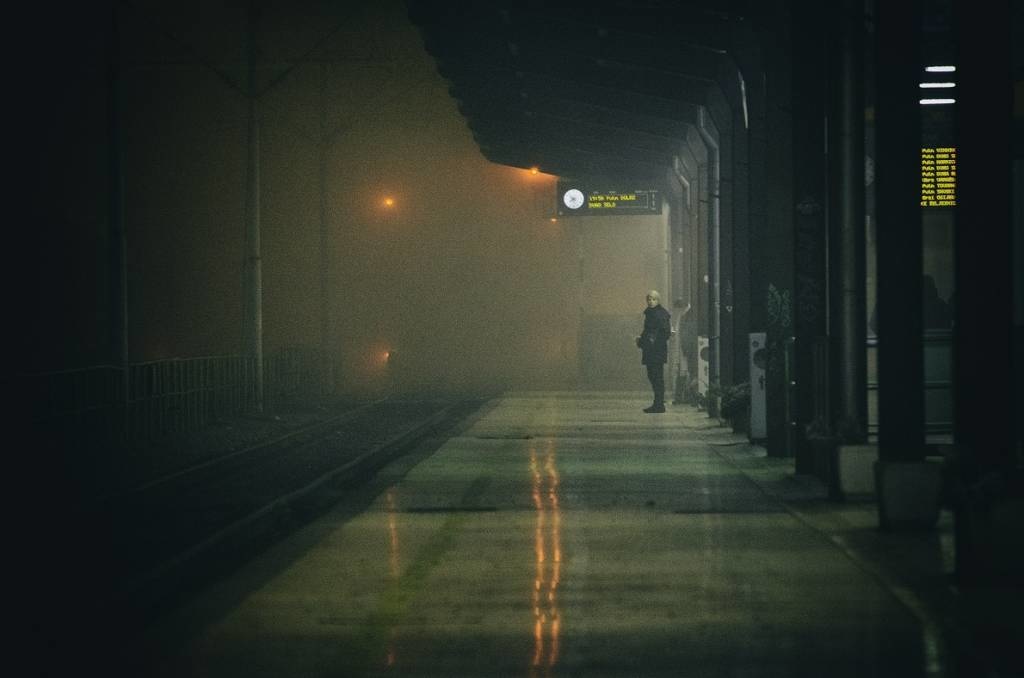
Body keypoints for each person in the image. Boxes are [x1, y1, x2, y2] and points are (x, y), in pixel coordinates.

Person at [636, 290, 672, 413]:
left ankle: (658, 404)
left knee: (656, 377)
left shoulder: (658, 314)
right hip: (654, 350)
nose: (651, 301)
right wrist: (643, 340)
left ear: (658, 300)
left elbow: (664, 333)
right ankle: (658, 403)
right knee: (654, 376)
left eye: (653, 299)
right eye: (649, 299)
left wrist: (646, 340)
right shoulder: (654, 313)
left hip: (655, 351)